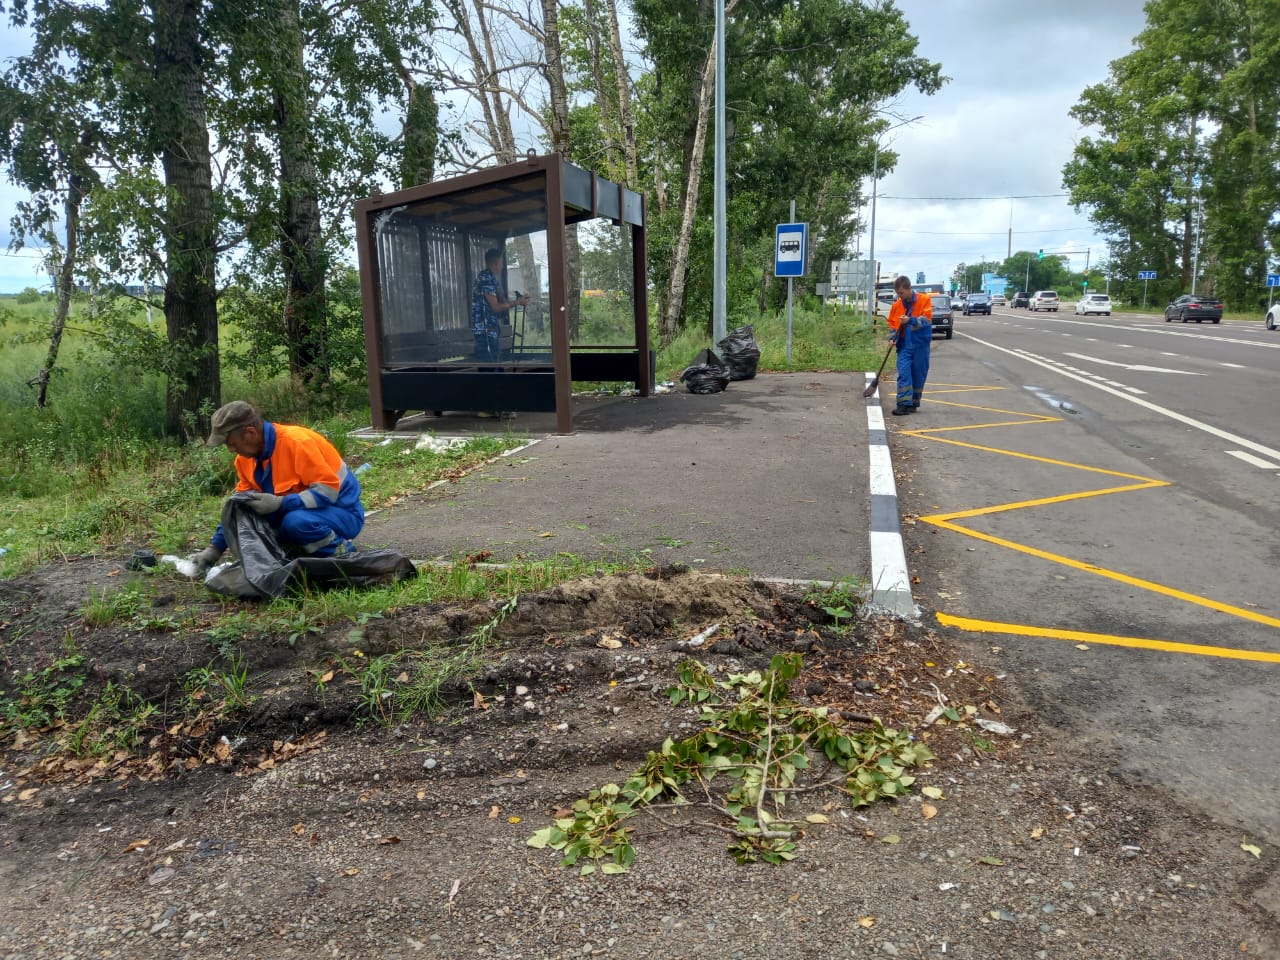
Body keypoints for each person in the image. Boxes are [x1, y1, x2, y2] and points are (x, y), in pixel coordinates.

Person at [189, 401, 365, 575]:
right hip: (303, 513)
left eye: (232, 443)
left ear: (250, 433)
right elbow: (240, 508)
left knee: (295, 523)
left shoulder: (297, 443)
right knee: (254, 521)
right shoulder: (245, 460)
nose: (230, 449)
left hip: (343, 512)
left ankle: (342, 554)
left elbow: (328, 491)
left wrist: (281, 503)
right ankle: (300, 550)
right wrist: (214, 548)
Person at [885, 276, 933, 416]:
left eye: (901, 293)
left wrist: (910, 320)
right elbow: (893, 326)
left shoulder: (924, 300)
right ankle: (903, 404)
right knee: (904, 373)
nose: (900, 296)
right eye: (898, 293)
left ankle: (913, 404)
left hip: (920, 345)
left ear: (909, 289)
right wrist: (892, 338)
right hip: (904, 346)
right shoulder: (896, 306)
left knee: (918, 375)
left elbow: (927, 320)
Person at [471, 247, 530, 361]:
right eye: (502, 262)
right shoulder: (486, 278)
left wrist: (519, 300)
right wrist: (517, 302)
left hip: (490, 329)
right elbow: (496, 307)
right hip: (486, 331)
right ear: (496, 263)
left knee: (495, 365)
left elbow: (501, 301)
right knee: (491, 367)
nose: (503, 266)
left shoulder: (490, 278)